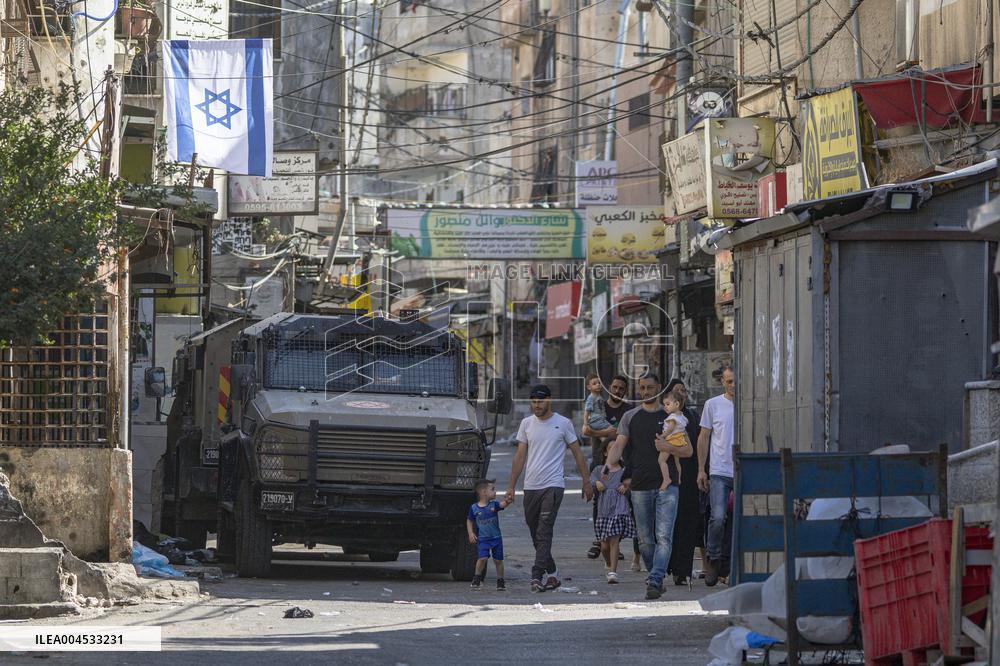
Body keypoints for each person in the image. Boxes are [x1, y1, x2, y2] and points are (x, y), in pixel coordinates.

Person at [605, 373, 692, 600]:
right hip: (640, 485)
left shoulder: (672, 416)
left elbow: (688, 451)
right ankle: (656, 574)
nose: (646, 392)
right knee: (645, 540)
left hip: (668, 484)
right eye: (642, 387)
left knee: (664, 536)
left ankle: (654, 579)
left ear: (660, 388)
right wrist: (608, 465)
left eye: (650, 387)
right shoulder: (630, 417)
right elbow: (619, 445)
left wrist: (668, 447)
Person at [506, 384, 594, 593]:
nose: (537, 406)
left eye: (541, 401)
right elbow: (519, 457)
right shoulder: (526, 424)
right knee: (535, 531)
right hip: (531, 486)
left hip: (554, 485)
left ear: (549, 400)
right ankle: (553, 573)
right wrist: (511, 486)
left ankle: (537, 575)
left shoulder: (563, 423)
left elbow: (578, 453)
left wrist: (586, 481)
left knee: (544, 531)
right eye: (534, 402)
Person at [581, 375, 632, 564]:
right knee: (599, 503)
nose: (617, 391)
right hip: (600, 464)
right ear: (609, 387)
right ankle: (602, 538)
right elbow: (585, 431)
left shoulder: (629, 410)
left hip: (622, 466)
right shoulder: (598, 403)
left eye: (621, 388)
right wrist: (609, 433)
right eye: (615, 387)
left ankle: (614, 541)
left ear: (625, 391)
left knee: (623, 504)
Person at [697, 367, 736, 587]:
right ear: (722, 381)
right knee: (718, 517)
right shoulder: (713, 405)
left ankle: (728, 564)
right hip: (720, 470)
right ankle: (712, 558)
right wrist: (701, 469)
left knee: (737, 519)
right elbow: (704, 437)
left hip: (742, 469)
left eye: (736, 382)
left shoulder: (748, 403)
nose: (733, 385)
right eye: (729, 381)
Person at [664, 378, 704, 586]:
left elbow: (700, 445)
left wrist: (701, 471)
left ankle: (683, 570)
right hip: (668, 476)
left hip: (689, 477)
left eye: (683, 392)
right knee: (669, 523)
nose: (680, 396)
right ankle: (668, 565)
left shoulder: (693, 417)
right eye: (675, 392)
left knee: (688, 523)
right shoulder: (665, 417)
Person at [589, 455, 635, 584]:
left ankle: (613, 572)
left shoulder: (625, 469)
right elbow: (591, 479)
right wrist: (596, 483)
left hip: (620, 508)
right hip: (604, 509)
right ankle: (608, 563)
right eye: (610, 449)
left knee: (614, 540)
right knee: (604, 545)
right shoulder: (600, 469)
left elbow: (633, 480)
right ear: (604, 453)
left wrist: (626, 486)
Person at [467, 479, 512, 591]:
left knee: (498, 560)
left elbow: (503, 504)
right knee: (482, 558)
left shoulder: (494, 505)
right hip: (483, 539)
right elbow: (469, 520)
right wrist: (471, 533)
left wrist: (508, 500)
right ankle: (477, 578)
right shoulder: (474, 508)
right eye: (492, 489)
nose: (495, 492)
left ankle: (500, 581)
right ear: (484, 492)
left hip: (496, 538)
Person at [658, 392, 690, 489]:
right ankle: (679, 478)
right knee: (677, 462)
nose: (665, 407)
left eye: (668, 404)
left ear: (676, 404)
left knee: (661, 460)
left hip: (672, 440)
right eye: (664, 404)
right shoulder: (682, 416)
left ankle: (666, 479)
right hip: (680, 440)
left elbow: (670, 429)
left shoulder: (672, 417)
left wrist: (662, 436)